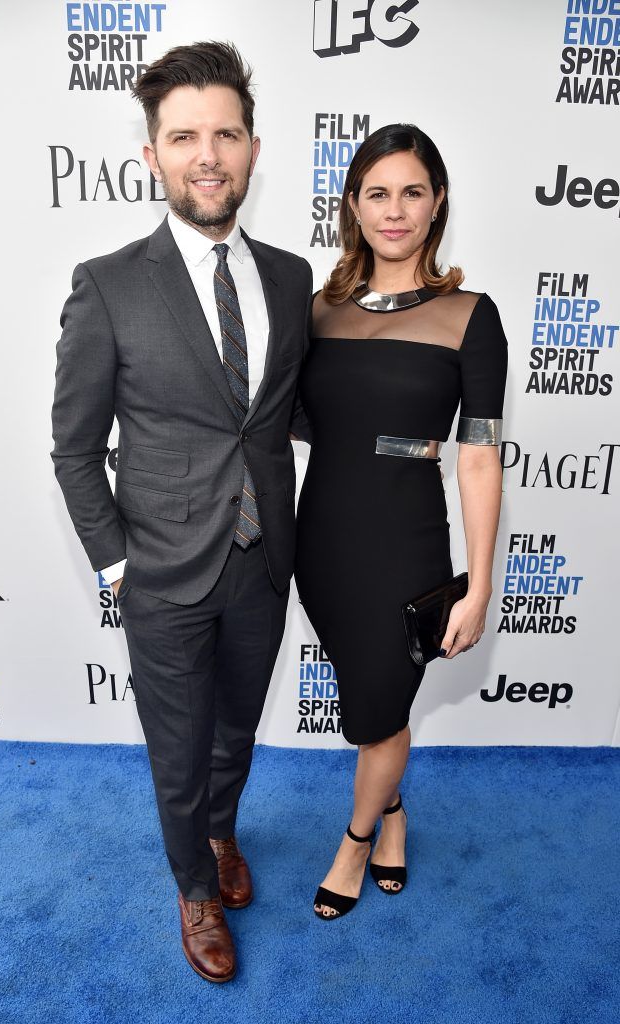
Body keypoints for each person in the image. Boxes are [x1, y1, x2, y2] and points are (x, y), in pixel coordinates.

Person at [51, 41, 312, 981]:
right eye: (185, 136)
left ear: (252, 147)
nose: (209, 154)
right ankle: (193, 886)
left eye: (226, 134)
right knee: (178, 746)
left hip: (261, 554)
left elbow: (289, 410)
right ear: (155, 155)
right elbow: (74, 448)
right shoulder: (108, 283)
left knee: (238, 726)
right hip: (159, 569)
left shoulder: (289, 278)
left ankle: (222, 834)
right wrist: (118, 566)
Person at [294, 124, 507, 920]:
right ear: (352, 204)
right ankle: (394, 815)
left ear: (437, 202)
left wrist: (480, 585)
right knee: (373, 706)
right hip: (320, 543)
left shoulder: (469, 316)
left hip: (408, 544)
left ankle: (356, 839)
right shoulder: (318, 310)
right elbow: (289, 423)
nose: (395, 210)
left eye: (412, 192)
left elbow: (479, 459)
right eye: (377, 192)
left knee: (379, 710)